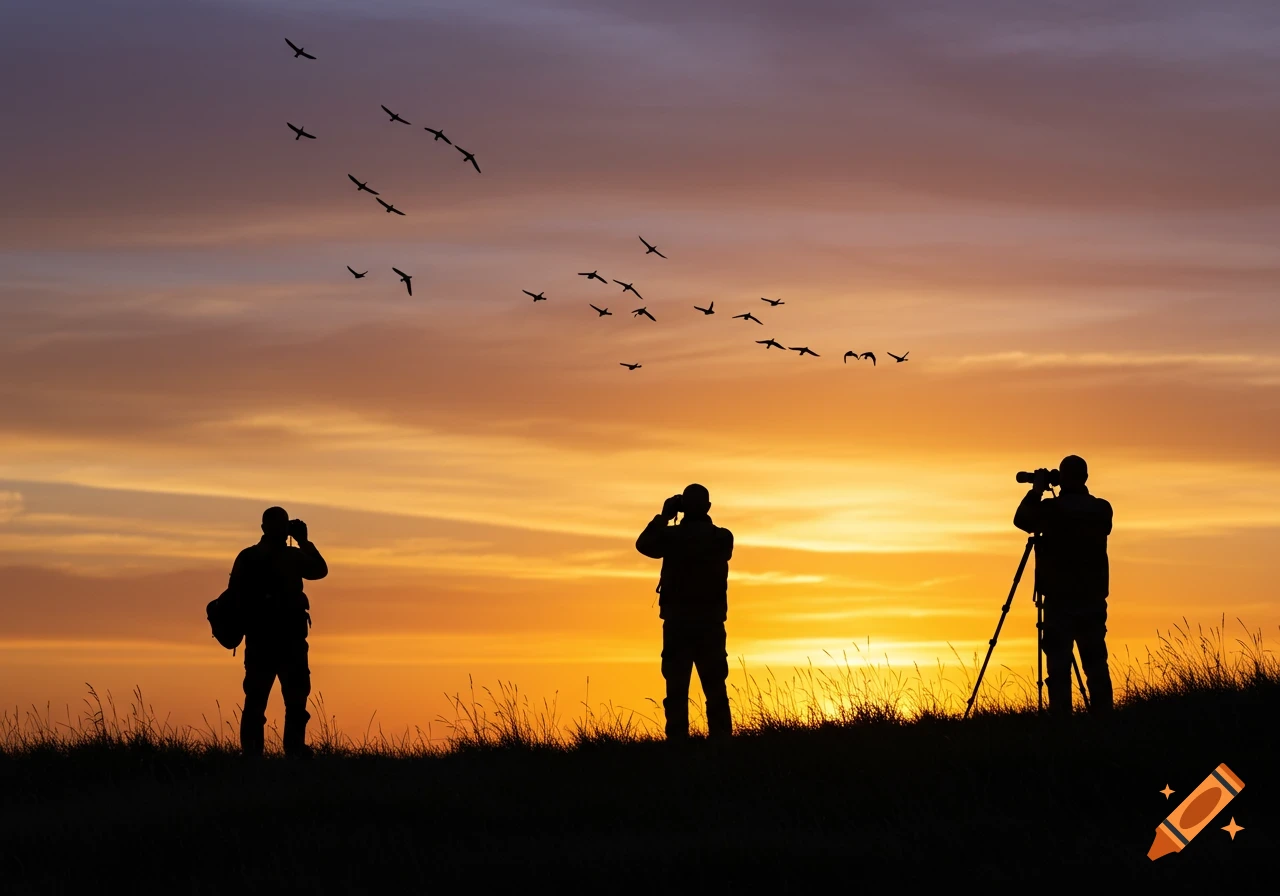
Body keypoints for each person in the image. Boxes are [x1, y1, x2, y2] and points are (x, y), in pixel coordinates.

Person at [1014, 455, 1114, 717]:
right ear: (1086, 478)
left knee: (1058, 666)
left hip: (1060, 602)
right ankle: (1105, 720)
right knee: (1096, 664)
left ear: (1064, 477)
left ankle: (1061, 721)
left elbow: (1022, 520)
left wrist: (1037, 490)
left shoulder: (1051, 510)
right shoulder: (1102, 509)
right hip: (1092, 600)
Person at [635, 484, 734, 740]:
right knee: (715, 688)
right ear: (708, 507)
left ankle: (678, 744)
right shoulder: (722, 538)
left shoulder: (671, 537)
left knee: (676, 689)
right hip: (710, 624)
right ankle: (722, 743)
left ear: (683, 507)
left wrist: (664, 517)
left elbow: (644, 545)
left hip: (678, 625)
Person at [228, 506, 328, 758]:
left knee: (256, 700)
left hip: (261, 641)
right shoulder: (293, 557)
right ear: (284, 529)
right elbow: (320, 570)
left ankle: (252, 756)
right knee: (293, 702)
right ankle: (293, 753)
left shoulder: (247, 556)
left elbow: (233, 595)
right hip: (289, 642)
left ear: (263, 528)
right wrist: (304, 541)